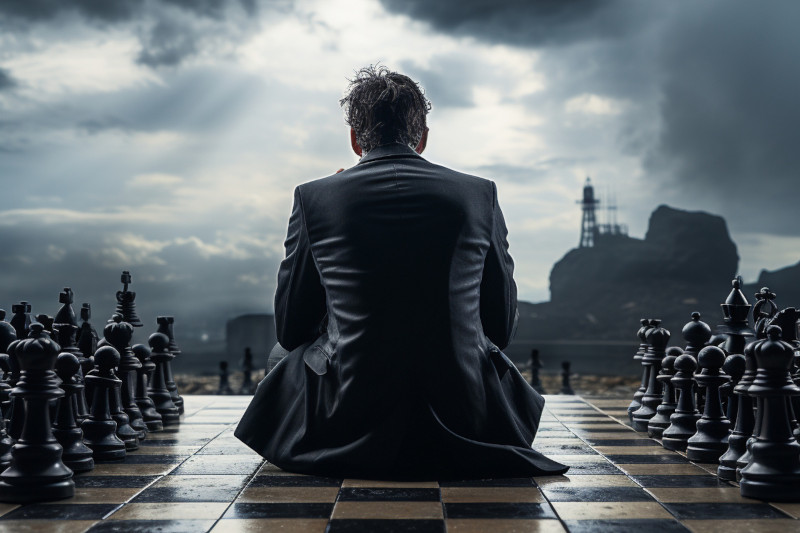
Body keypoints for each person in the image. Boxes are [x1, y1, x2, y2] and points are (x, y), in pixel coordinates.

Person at [234, 66, 567, 480]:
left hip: (348, 414)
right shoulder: (480, 194)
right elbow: (499, 326)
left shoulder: (313, 197)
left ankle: (315, 440)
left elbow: (290, 328)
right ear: (423, 137)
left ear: (355, 139)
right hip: (468, 413)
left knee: (280, 354)